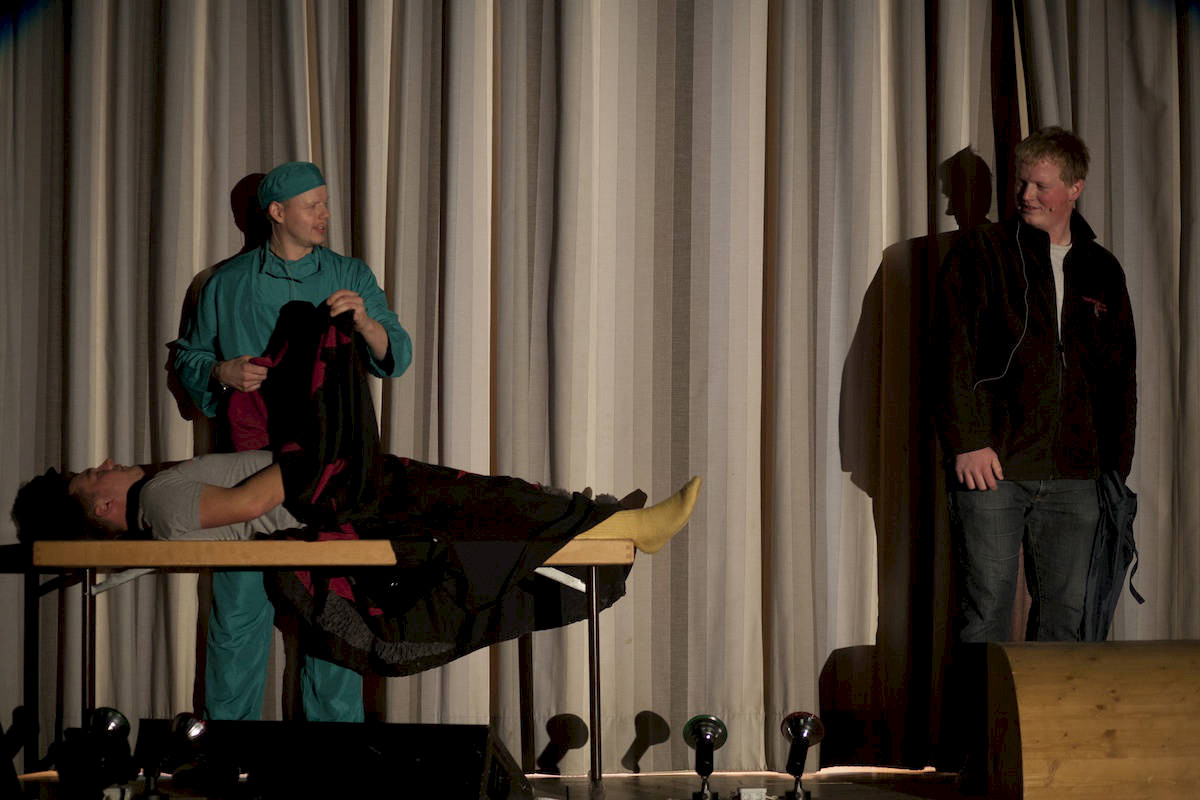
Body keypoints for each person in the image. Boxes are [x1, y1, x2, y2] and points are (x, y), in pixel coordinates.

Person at [171, 161, 412, 722]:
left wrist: (366, 324)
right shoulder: (225, 282)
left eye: (325, 203)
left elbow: (396, 351)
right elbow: (189, 357)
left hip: (330, 470)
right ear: (277, 213)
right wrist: (221, 372)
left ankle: (332, 757)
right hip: (248, 470)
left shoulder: (350, 274)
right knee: (238, 613)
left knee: (334, 612)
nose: (325, 214)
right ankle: (228, 752)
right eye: (313, 205)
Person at [934, 126, 1136, 643]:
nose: (1027, 195)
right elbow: (951, 352)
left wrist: (1113, 467)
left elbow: (1119, 376)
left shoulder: (1102, 268)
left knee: (1066, 623)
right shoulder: (981, 252)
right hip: (993, 468)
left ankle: (1048, 706)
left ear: (1074, 188)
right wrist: (967, 441)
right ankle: (980, 704)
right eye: (1022, 183)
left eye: (1041, 185)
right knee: (984, 616)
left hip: (1077, 475)